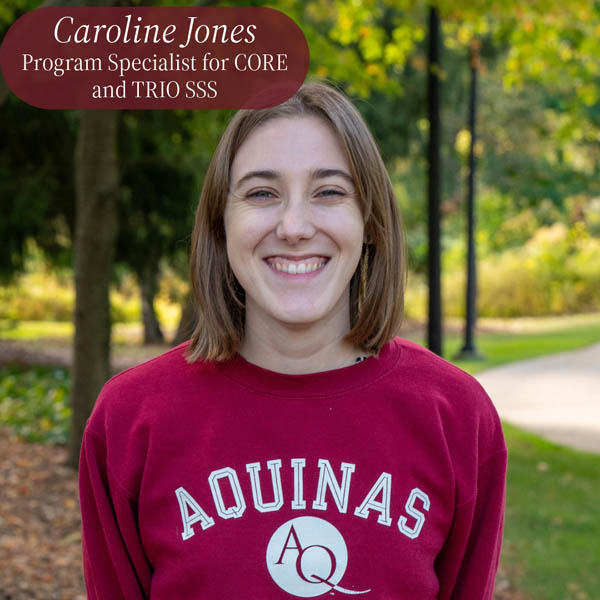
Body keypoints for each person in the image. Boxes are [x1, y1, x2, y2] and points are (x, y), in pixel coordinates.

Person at [79, 80, 506, 599]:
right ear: (221, 222)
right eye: (262, 193)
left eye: (329, 192)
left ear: (368, 220)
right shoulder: (131, 419)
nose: (295, 226)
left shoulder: (454, 415)